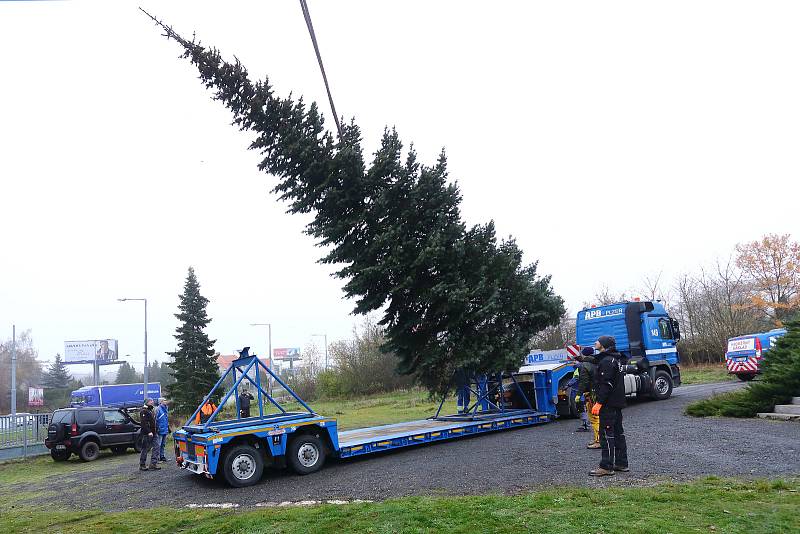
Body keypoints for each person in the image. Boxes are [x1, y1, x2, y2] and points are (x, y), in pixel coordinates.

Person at [589, 335, 629, 477]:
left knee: (607, 435)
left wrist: (599, 403)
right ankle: (621, 463)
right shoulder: (615, 359)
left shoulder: (606, 361)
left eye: (598, 341)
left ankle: (607, 466)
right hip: (617, 402)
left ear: (604, 345)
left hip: (608, 404)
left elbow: (607, 384)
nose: (596, 342)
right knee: (618, 433)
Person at [577, 346, 601, 449]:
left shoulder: (584, 365)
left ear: (583, 354)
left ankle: (598, 440)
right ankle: (599, 438)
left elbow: (584, 382)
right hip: (598, 393)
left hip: (591, 395)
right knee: (598, 417)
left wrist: (578, 394)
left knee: (594, 418)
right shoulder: (597, 363)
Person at [138, 398, 160, 471]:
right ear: (147, 402)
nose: (152, 402)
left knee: (157, 447)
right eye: (151, 401)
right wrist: (148, 432)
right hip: (147, 433)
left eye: (152, 401)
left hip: (154, 432)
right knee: (145, 449)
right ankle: (142, 464)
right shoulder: (143, 411)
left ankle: (153, 464)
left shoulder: (150, 410)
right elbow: (143, 423)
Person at [156, 398, 170, 462]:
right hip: (160, 429)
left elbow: (166, 419)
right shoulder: (158, 409)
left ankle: (162, 456)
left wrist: (168, 427)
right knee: (159, 444)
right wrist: (157, 428)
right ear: (161, 402)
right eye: (164, 400)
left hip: (165, 429)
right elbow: (156, 420)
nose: (166, 401)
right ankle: (157, 458)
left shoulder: (166, 408)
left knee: (163, 444)